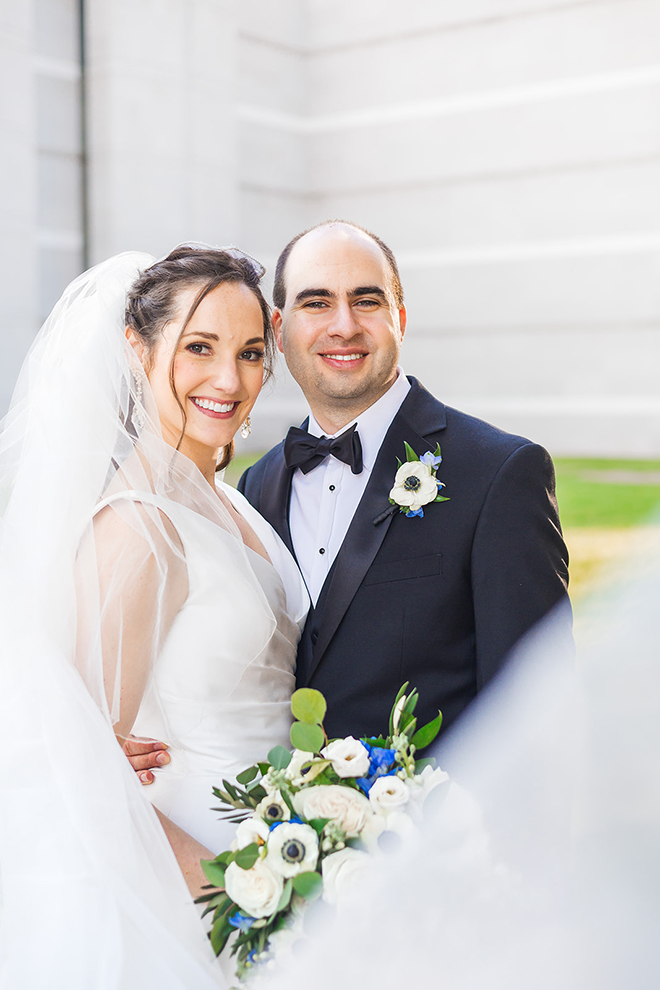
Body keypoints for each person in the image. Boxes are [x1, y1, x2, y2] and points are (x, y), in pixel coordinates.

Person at [0, 245, 307, 988]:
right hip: (202, 882)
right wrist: (243, 902)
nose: (228, 380)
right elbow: (83, 776)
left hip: (279, 849)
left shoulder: (225, 499)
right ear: (136, 348)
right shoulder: (139, 529)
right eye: (198, 348)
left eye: (249, 353)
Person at [235, 220, 571, 741]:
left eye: (366, 301)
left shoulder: (499, 474)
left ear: (401, 319)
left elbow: (537, 712)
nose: (343, 326)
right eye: (316, 303)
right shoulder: (256, 488)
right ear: (279, 329)